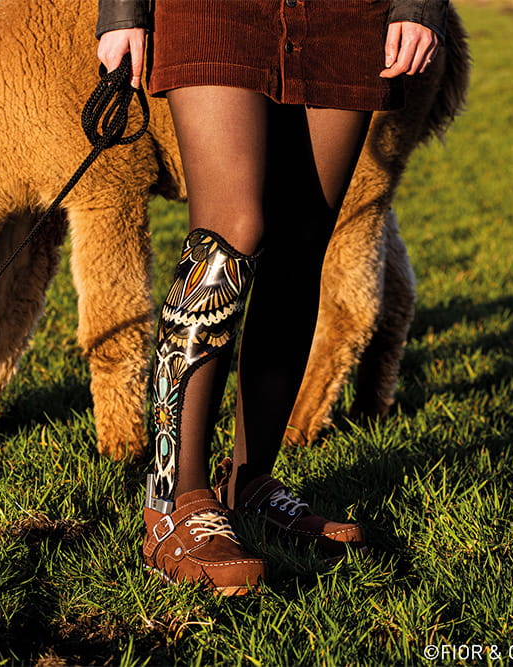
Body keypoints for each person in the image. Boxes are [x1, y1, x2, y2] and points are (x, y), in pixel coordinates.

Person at [96, 0, 447, 595]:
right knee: (231, 233)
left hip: (346, 15)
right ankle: (175, 498)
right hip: (213, 11)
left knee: (303, 242)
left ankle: (251, 484)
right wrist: (122, 11)